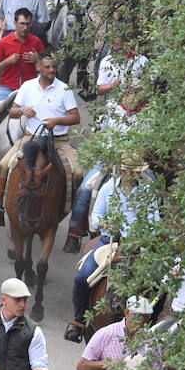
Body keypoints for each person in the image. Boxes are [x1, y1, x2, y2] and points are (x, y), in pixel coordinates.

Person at [62, 41, 149, 251]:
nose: (133, 94)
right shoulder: (111, 110)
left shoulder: (148, 113)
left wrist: (138, 156)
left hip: (137, 163)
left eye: (137, 90)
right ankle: (74, 231)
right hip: (109, 159)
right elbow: (100, 140)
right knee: (84, 188)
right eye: (130, 90)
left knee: (154, 189)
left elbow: (148, 144)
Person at [0, 54, 80, 227]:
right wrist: (22, 111)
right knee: (3, 165)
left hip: (58, 140)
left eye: (54, 67)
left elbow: (75, 117)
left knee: (78, 172)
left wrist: (57, 121)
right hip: (30, 137)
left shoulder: (64, 88)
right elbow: (12, 112)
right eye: (48, 67)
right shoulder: (27, 86)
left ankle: (75, 221)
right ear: (38, 68)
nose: (52, 70)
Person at [65, 161, 160, 336]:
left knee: (159, 284)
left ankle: (152, 329)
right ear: (122, 170)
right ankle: (79, 321)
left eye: (136, 172)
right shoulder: (109, 188)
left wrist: (143, 235)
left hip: (137, 246)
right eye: (130, 171)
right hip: (109, 243)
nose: (133, 175)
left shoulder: (148, 192)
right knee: (81, 278)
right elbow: (96, 217)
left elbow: (155, 222)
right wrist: (106, 224)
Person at [0, 10, 45, 172]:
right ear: (15, 23)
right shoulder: (4, 42)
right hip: (7, 89)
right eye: (22, 24)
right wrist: (8, 61)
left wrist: (37, 60)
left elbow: (48, 65)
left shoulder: (36, 42)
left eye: (28, 24)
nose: (25, 28)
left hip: (31, 90)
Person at [75, 296, 156, 370]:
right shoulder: (106, 333)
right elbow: (81, 367)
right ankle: (77, 324)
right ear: (126, 312)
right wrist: (107, 364)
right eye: (138, 316)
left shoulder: (152, 341)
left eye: (146, 317)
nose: (142, 321)